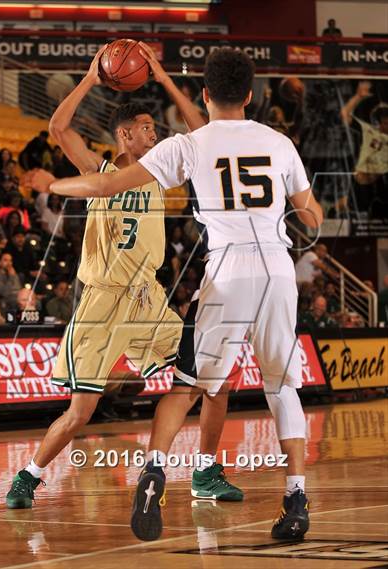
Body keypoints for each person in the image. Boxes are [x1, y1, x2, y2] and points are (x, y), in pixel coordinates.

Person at [33, 46, 323, 542]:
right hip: (276, 268)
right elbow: (313, 218)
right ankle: (295, 498)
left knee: (187, 386)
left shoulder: (188, 146)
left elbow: (108, 186)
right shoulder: (279, 142)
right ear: (250, 95)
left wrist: (53, 184)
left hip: (226, 270)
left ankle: (155, 471)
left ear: (206, 93)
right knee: (282, 387)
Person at [5, 44, 237, 513]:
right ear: (124, 134)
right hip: (102, 303)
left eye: (154, 127)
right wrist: (92, 76)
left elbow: (205, 133)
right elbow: (58, 128)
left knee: (215, 380)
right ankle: (28, 477)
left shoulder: (160, 171)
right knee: (79, 413)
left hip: (147, 299)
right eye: (146, 128)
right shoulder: (98, 171)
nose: (154, 133)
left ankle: (206, 471)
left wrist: (163, 75)